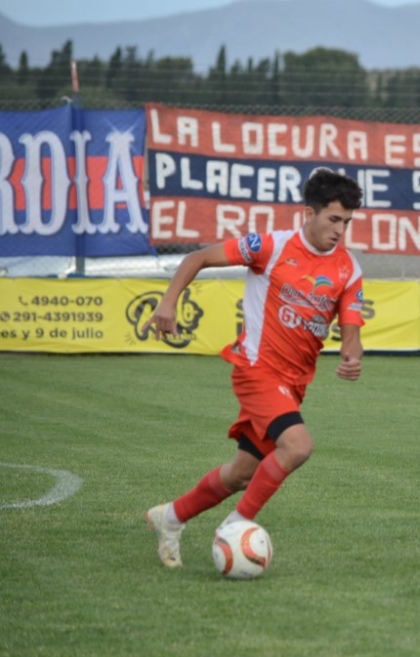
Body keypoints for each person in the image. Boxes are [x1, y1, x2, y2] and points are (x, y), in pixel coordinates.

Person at [143, 169, 366, 568]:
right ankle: (234, 529)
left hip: (293, 386)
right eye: (333, 219)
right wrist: (167, 303)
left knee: (240, 474)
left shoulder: (348, 269)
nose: (340, 230)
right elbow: (197, 258)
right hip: (256, 369)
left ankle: (170, 518)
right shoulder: (271, 247)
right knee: (298, 446)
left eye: (346, 222)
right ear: (308, 213)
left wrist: (352, 354)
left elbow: (351, 331)